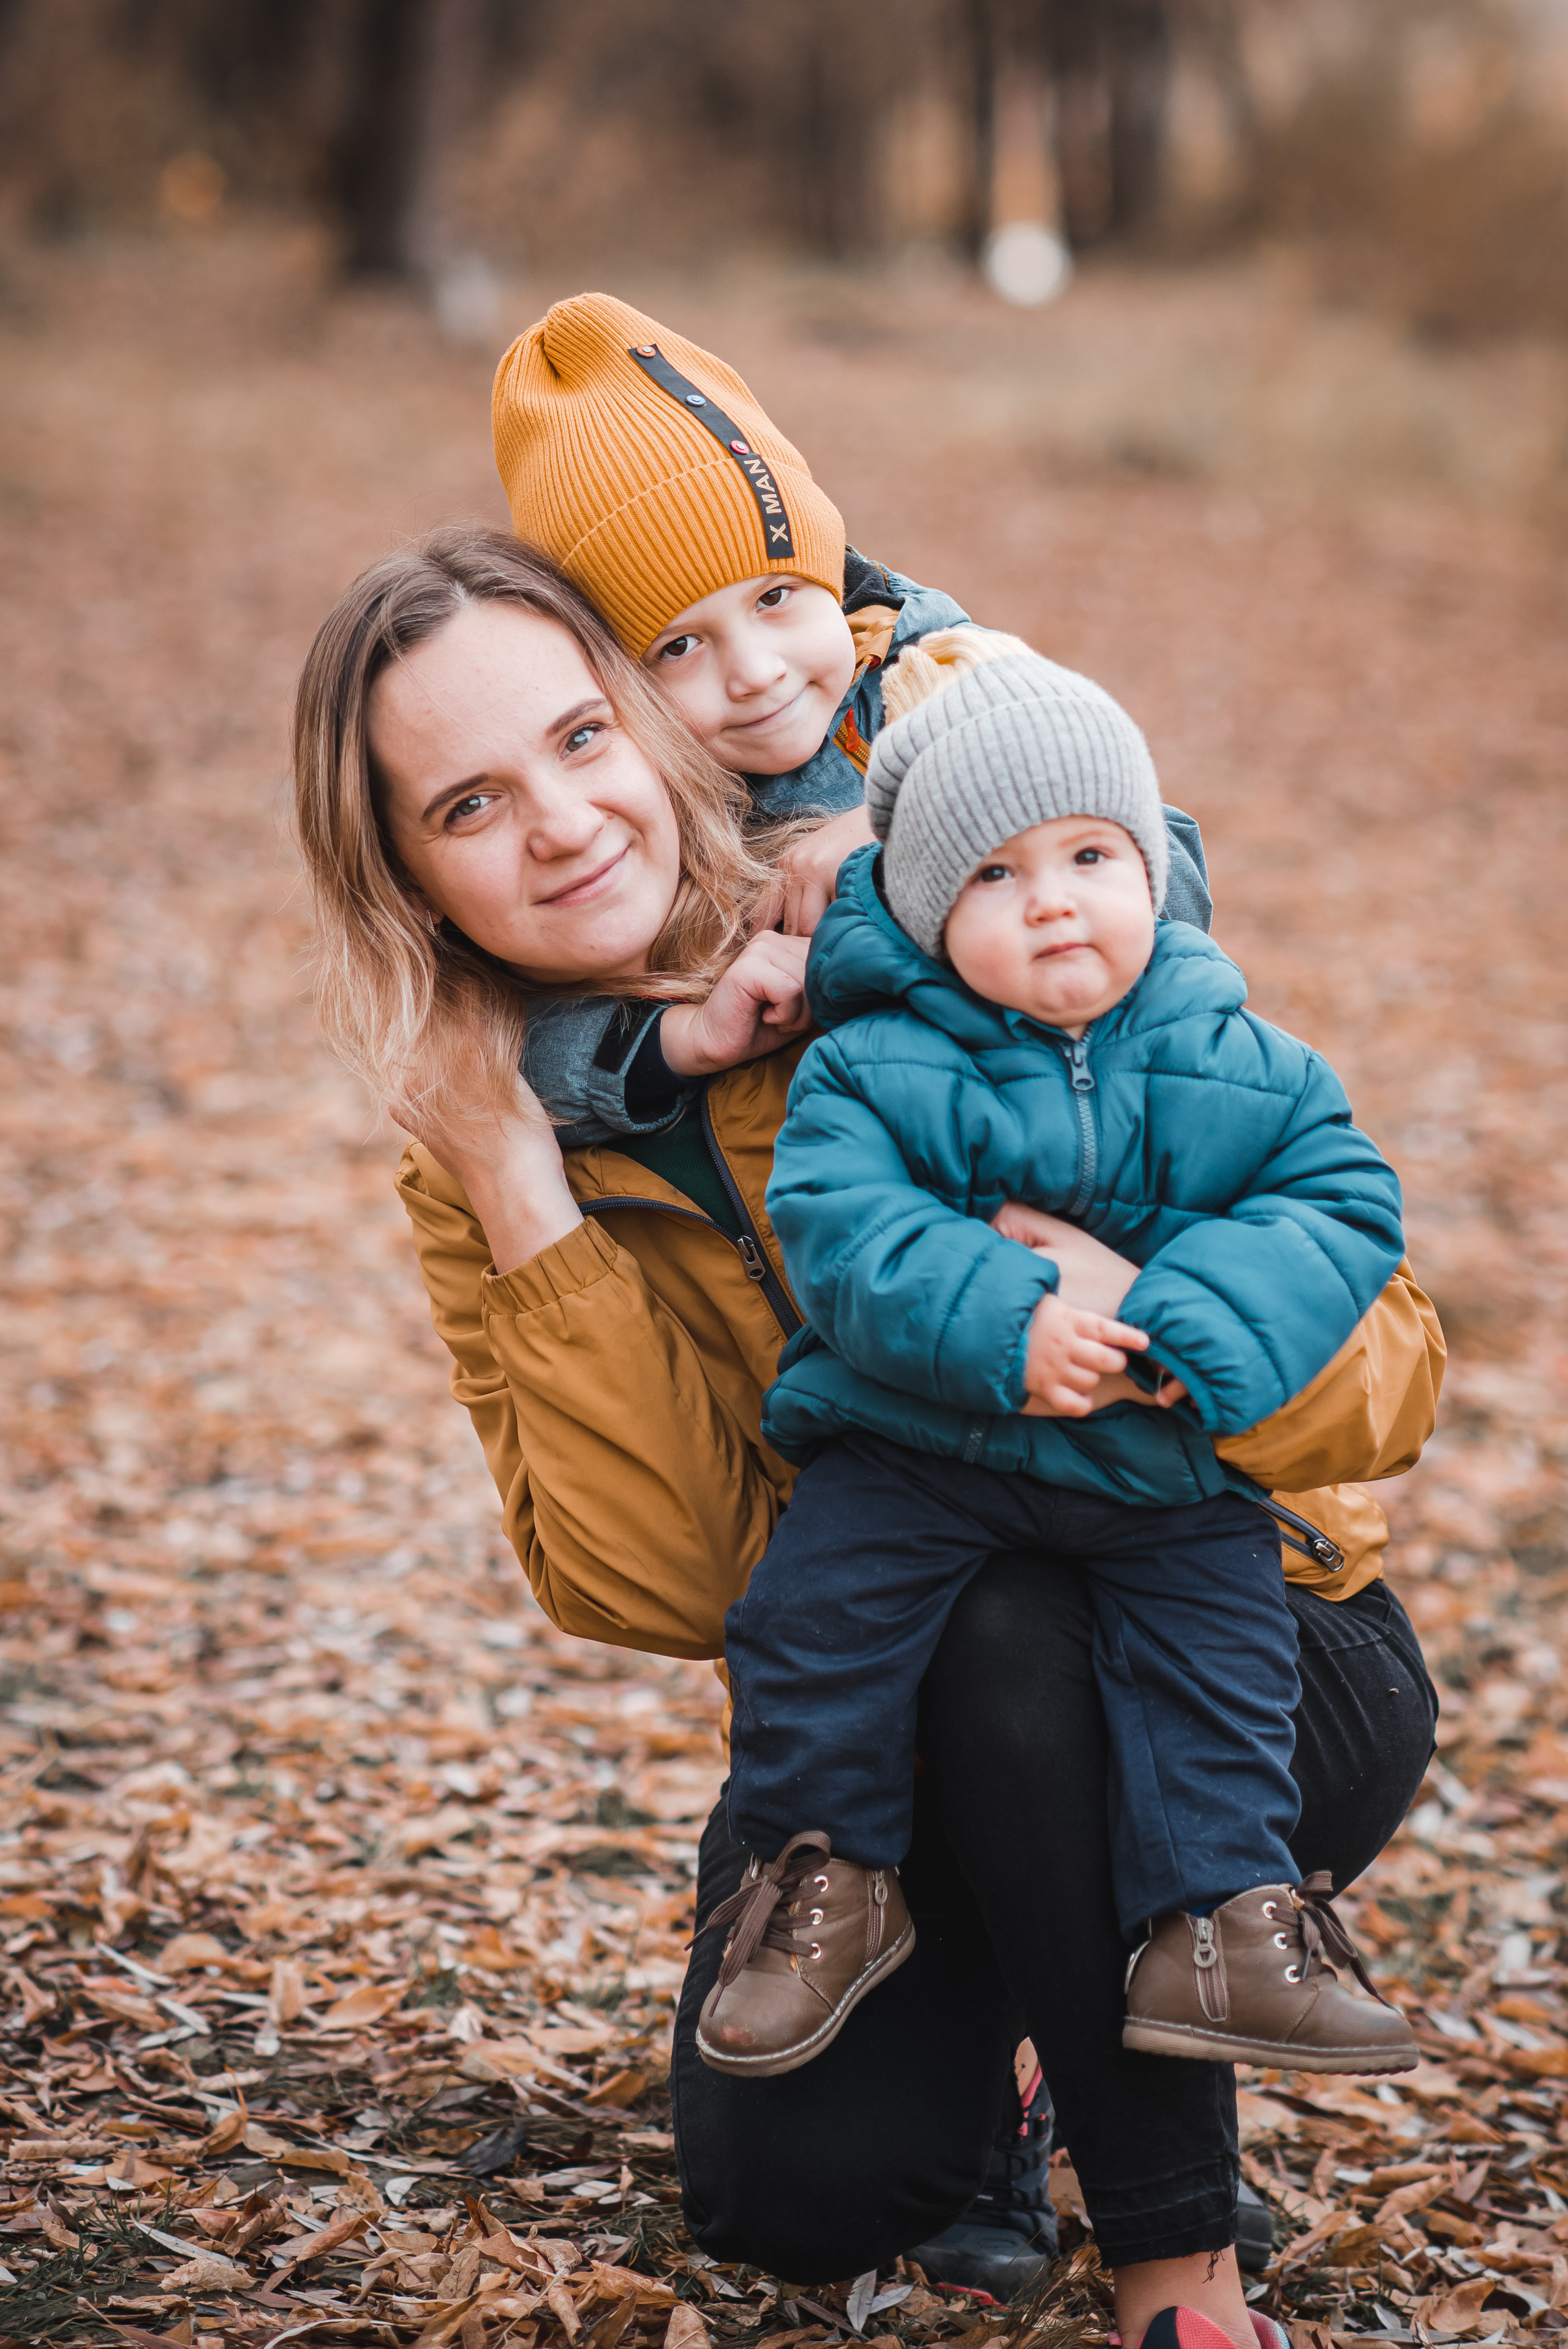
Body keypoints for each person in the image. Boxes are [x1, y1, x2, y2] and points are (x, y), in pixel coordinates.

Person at [292, 524, 1443, 2349]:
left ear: (663, 722)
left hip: (1243, 1647)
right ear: (413, 881)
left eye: (585, 738)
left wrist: (1129, 1305)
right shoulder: (486, 1134)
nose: (564, 823)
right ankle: (1035, 2034)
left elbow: (1392, 1370)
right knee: (798, 2192)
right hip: (883, 1710)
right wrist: (525, 1180)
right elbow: (663, 1581)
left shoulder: (931, 918)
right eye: (467, 805)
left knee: (1006, 1617)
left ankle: (1178, 2263)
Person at [698, 639, 1417, 2087]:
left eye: (1089, 853)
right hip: (922, 1445)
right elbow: (840, 1227)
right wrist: (1001, 1314)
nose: (1051, 900)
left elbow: (1338, 1205)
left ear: (1149, 870)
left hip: (1149, 1456)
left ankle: (1217, 1924)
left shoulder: (1238, 1055)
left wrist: (1175, 1328)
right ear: (916, 905)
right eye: (992, 876)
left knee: (1219, 1659)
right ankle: (821, 1889)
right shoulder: (869, 1062)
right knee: (814, 1624)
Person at [488, 290, 1215, 1150]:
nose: (757, 672)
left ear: (828, 569)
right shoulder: (633, 807)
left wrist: (900, 835)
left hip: (1135, 1137)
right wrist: (681, 1040)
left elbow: (1170, 880)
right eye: (679, 646)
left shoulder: (949, 677)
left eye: (776, 597)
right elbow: (515, 1056)